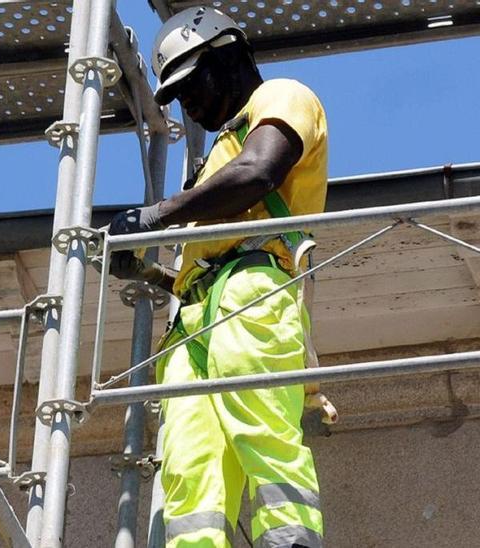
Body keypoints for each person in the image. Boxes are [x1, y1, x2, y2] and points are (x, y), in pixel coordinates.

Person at [106, 6, 327, 548]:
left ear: (228, 55)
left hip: (253, 291)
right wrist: (153, 270)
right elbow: (201, 264)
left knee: (264, 434)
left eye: (191, 83)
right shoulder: (214, 166)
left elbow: (259, 173)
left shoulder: (280, 97)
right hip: (197, 317)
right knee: (189, 465)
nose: (188, 102)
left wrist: (156, 216)